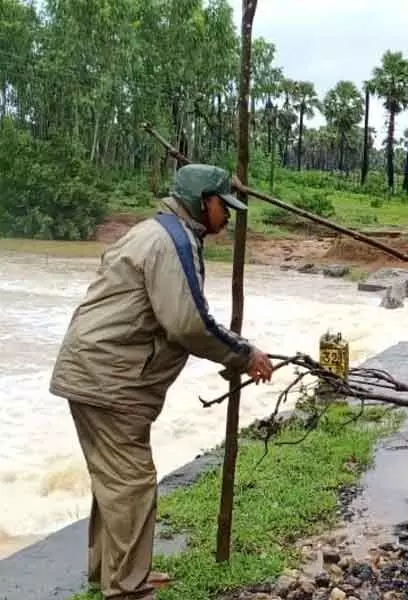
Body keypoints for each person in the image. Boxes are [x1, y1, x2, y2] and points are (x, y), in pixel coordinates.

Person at [49, 164, 275, 600]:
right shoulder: (172, 242)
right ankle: (128, 588)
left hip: (94, 371)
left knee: (114, 481)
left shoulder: (156, 231)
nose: (227, 217)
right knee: (131, 483)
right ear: (201, 201)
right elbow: (188, 323)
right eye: (222, 206)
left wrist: (235, 354)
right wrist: (246, 355)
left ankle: (112, 574)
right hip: (110, 381)